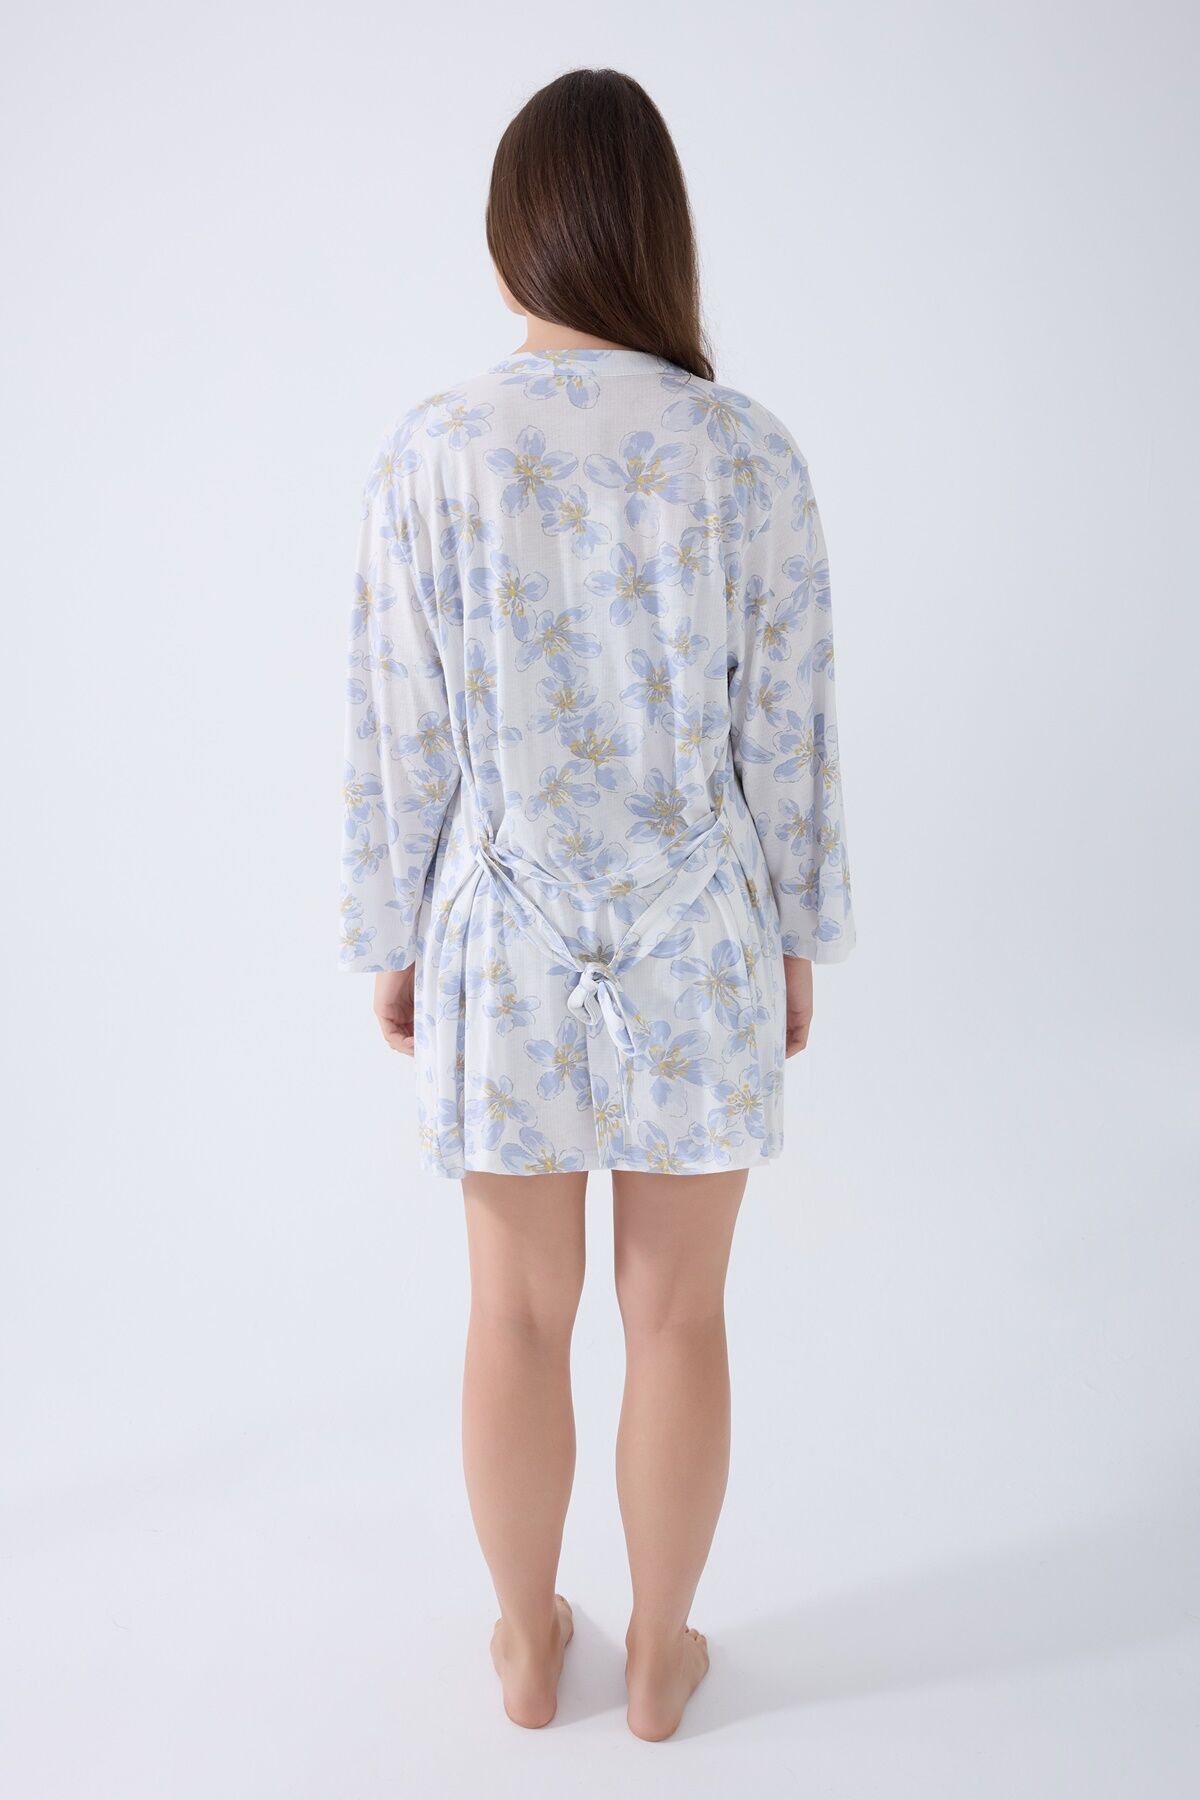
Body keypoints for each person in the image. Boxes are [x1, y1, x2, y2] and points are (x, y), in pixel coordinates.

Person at [338, 67, 855, 1741]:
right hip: (702, 929)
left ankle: (522, 1640)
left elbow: (397, 725)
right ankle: (657, 1659)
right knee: (680, 1316)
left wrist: (393, 939)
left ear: (515, 237)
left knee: (513, 1314)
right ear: (657, 233)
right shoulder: (749, 452)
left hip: (498, 935)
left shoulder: (436, 450)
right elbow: (788, 728)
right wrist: (794, 940)